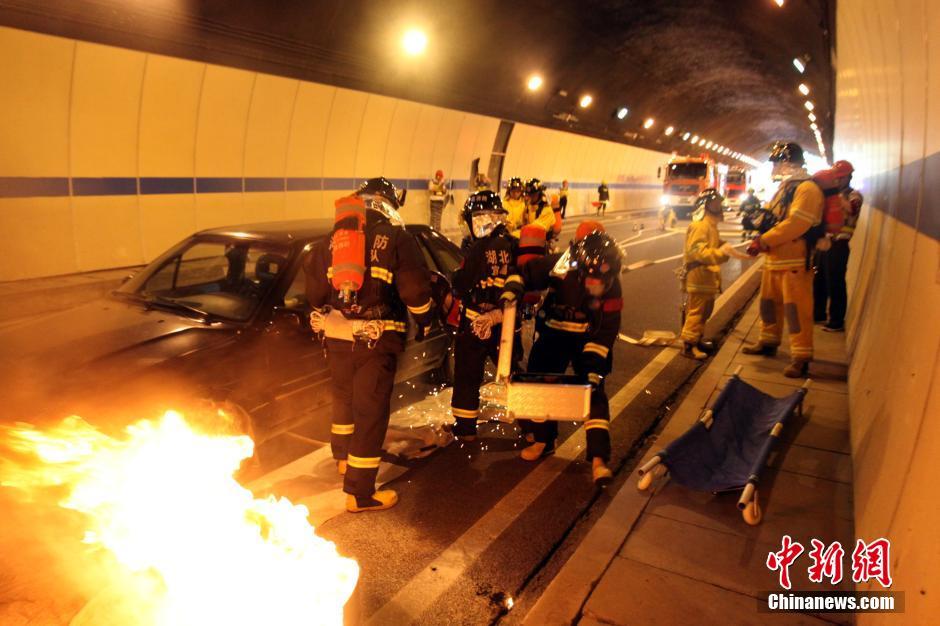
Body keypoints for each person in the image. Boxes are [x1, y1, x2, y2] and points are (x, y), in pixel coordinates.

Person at [305, 177, 435, 513]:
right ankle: (360, 494)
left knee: (344, 399)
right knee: (370, 413)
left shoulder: (330, 241)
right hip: (376, 339)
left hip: (336, 338)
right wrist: (427, 320)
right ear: (389, 204)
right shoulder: (395, 238)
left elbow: (316, 296)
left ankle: (343, 459)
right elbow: (415, 291)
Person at [515, 227, 623, 484]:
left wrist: (594, 364)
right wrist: (513, 290)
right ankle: (544, 439)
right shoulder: (560, 266)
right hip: (554, 332)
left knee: (593, 390)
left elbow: (607, 328)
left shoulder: (613, 284)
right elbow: (524, 275)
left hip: (588, 338)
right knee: (541, 384)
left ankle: (599, 458)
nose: (597, 286)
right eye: (592, 281)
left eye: (602, 282)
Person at [743, 142, 825, 378]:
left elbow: (797, 224)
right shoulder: (784, 188)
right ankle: (768, 341)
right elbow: (772, 215)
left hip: (794, 262)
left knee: (795, 310)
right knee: (769, 305)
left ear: (789, 162)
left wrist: (765, 240)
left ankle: (801, 357)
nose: (775, 167)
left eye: (778, 162)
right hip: (774, 259)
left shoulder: (807, 189)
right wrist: (756, 223)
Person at [449, 190, 525, 442]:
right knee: (514, 374)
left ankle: (465, 429)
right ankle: (534, 430)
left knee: (468, 376)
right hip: (507, 322)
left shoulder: (478, 247)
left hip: (476, 322)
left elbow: (463, 283)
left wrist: (453, 278)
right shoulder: (514, 245)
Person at [678, 189, 740, 359]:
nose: (718, 207)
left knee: (705, 312)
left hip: (707, 277)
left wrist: (723, 245)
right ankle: (689, 346)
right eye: (714, 204)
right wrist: (721, 254)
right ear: (705, 206)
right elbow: (697, 251)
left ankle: (697, 339)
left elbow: (712, 243)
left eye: (719, 204)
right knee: (696, 312)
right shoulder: (700, 226)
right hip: (699, 276)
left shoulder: (710, 226)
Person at [812, 160, 859, 332]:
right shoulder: (830, 194)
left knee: (835, 282)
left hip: (840, 243)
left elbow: (853, 209)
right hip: (825, 242)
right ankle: (818, 314)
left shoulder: (853, 195)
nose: (838, 181)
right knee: (819, 279)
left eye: (841, 178)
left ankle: (836, 320)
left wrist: (835, 197)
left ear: (848, 177)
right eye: (836, 178)